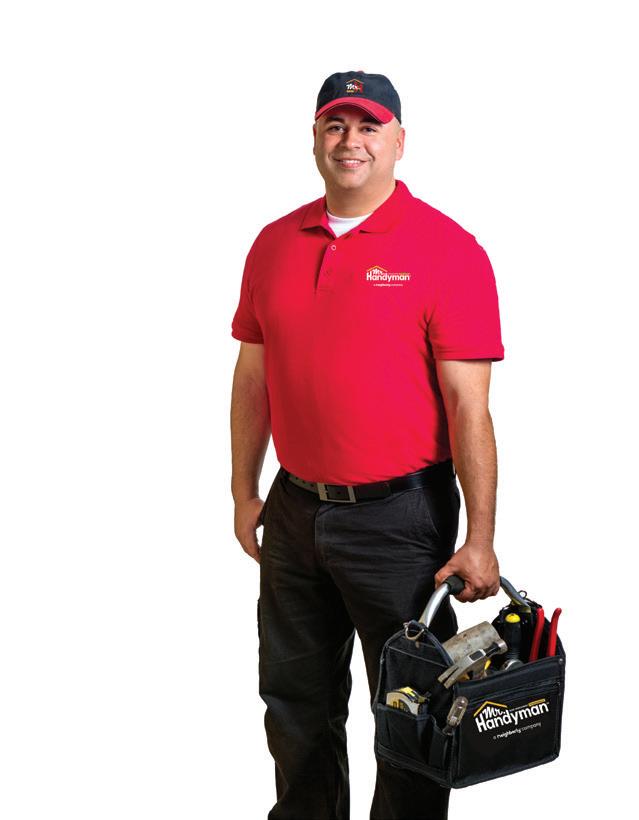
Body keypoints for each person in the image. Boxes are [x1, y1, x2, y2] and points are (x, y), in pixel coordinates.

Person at [230, 70, 505, 820]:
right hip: (293, 508)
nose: (350, 142)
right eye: (335, 125)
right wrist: (244, 491)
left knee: (414, 710)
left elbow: (469, 406)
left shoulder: (447, 249)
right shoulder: (273, 243)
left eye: (368, 127)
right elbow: (252, 377)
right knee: (294, 701)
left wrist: (480, 538)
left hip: (398, 519)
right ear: (316, 138)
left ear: (399, 141)